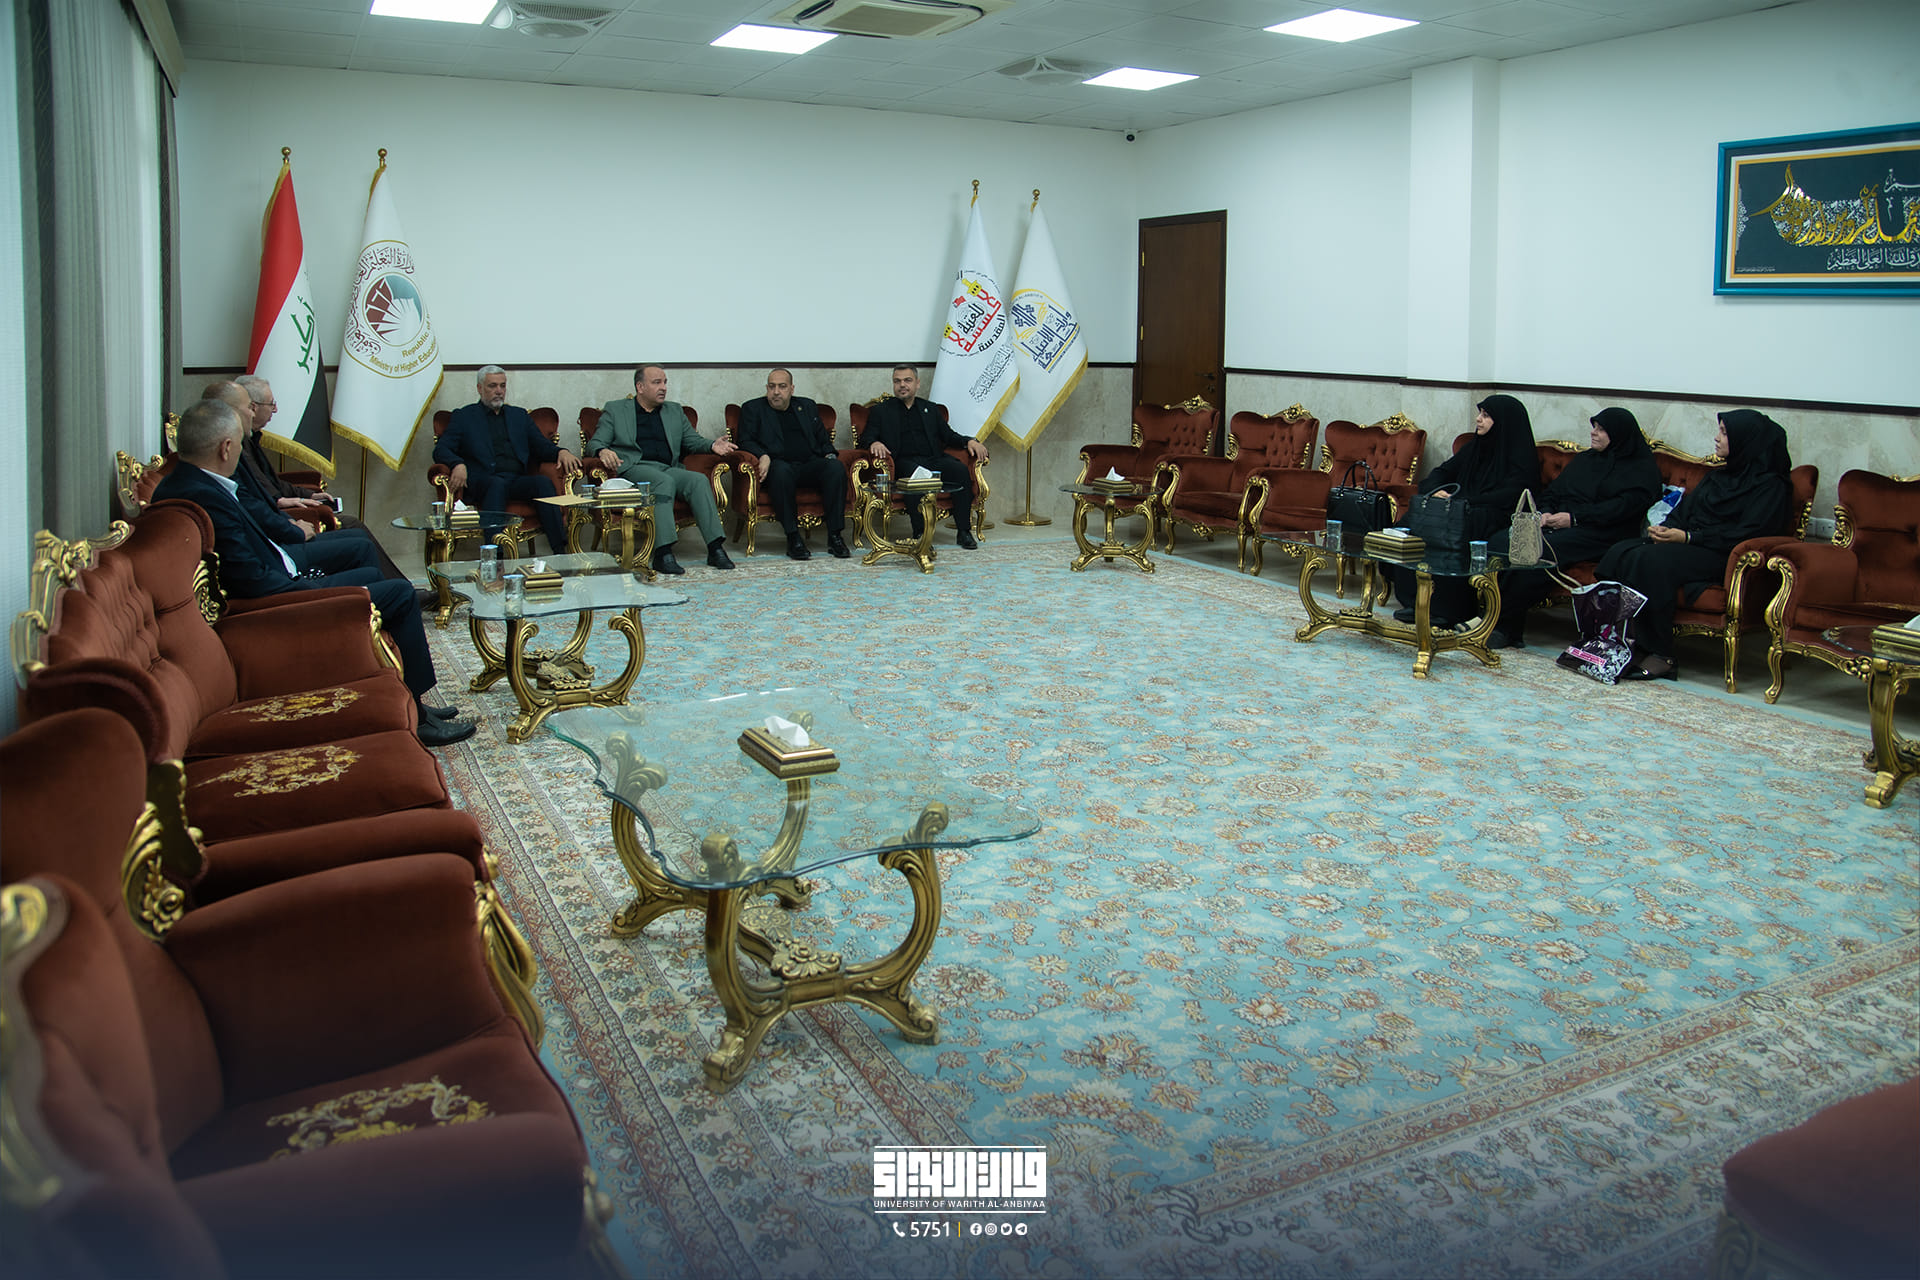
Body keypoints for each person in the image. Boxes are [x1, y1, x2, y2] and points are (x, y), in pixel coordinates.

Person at [153, 399, 473, 747]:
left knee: (372, 572)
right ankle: (418, 718)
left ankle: (411, 700)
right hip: (282, 601)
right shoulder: (204, 495)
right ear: (226, 448)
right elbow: (252, 580)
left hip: (279, 576)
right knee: (399, 593)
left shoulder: (192, 483)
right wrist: (311, 587)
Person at [1595, 409, 1793, 682]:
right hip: (1690, 545)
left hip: (1722, 554)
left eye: (1724, 433)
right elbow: (1684, 512)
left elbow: (1749, 533)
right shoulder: (1718, 476)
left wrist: (1689, 537)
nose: (1717, 438)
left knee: (1649, 561)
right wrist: (1666, 529)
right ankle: (1622, 642)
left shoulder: (1771, 486)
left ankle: (1661, 655)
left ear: (1746, 441)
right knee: (1622, 551)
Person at [1487, 407, 1663, 649]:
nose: (1593, 433)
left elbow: (1621, 509)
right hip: (1560, 524)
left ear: (1619, 435)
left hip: (1603, 533)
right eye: (1594, 427)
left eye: (1601, 430)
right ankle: (1488, 616)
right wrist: (1544, 513)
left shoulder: (1640, 469)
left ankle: (1506, 628)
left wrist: (1574, 518)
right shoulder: (1585, 460)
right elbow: (1554, 492)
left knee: (1537, 551)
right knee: (1501, 541)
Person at [210, 379, 408, 582]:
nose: (254, 413)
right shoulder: (230, 459)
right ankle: (386, 592)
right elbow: (256, 506)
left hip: (280, 536)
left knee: (360, 539)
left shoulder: (246, 442)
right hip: (278, 553)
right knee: (360, 542)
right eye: (250, 407)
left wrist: (305, 497)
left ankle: (390, 589)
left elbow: (270, 487)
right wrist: (292, 526)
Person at [1394, 393, 1540, 626]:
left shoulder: (1519, 457)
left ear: (1504, 422)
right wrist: (1437, 491)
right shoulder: (1473, 448)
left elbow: (1510, 495)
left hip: (1494, 514)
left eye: (1486, 415)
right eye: (1480, 413)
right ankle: (1416, 601)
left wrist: (1463, 501)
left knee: (1460, 529)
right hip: (1460, 507)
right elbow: (1441, 472)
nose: (1478, 419)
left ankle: (1449, 609)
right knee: (1410, 524)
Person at [588, 365, 739, 575]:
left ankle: (715, 549)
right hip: (635, 468)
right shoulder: (616, 410)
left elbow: (692, 440)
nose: (663, 387)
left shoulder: (674, 411)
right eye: (656, 382)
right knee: (662, 481)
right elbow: (595, 442)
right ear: (640, 387)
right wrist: (603, 450)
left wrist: (712, 445)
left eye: (665, 382)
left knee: (697, 480)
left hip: (668, 468)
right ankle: (663, 553)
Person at [434, 366, 581, 556]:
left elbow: (541, 446)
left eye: (502, 386)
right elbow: (441, 449)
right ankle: (495, 555)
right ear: (479, 388)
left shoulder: (518, 416)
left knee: (542, 483)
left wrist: (562, 452)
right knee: (496, 484)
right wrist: (457, 464)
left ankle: (560, 551)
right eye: (492, 386)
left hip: (515, 480)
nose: (499, 391)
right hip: (483, 482)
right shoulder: (464, 417)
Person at [857, 365, 988, 549]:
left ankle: (964, 532)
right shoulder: (881, 411)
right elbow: (866, 437)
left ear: (917, 383)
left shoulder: (930, 409)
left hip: (933, 458)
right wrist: (874, 443)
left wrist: (969, 441)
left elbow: (949, 436)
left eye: (907, 380)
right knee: (917, 475)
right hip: (903, 462)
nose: (902, 385)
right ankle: (920, 534)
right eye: (897, 381)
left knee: (959, 471)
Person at [734, 368, 850, 561]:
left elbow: (823, 440)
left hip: (809, 464)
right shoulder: (753, 408)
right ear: (767, 388)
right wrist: (763, 455)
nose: (776, 392)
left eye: (782, 387)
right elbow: (745, 440)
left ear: (791, 389)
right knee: (782, 471)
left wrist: (829, 455)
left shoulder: (806, 406)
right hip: (779, 465)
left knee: (835, 468)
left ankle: (835, 536)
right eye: (772, 387)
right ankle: (793, 537)